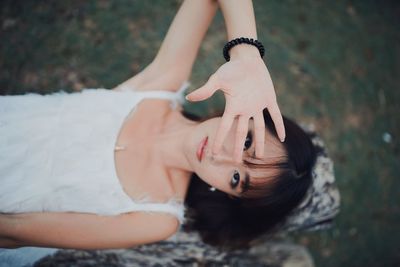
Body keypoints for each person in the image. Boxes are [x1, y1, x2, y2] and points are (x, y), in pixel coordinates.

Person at [0, 0, 316, 257]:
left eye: (236, 179)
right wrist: (246, 55)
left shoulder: (157, 217)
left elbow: (13, 232)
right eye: (246, 141)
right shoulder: (160, 85)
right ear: (246, 113)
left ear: (226, 194)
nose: (220, 155)